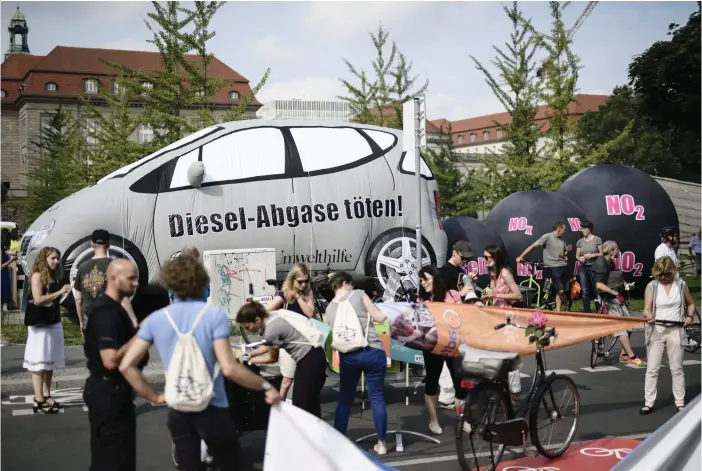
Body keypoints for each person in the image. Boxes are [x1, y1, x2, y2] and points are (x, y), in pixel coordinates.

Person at [120, 256, 280, 470]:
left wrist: (155, 396)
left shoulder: (156, 319)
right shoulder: (213, 316)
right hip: (213, 407)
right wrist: (265, 386)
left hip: (179, 409)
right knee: (230, 463)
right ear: (202, 282)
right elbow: (230, 368)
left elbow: (126, 365)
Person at [82, 260, 146, 471]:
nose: (136, 283)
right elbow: (110, 360)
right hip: (108, 393)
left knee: (120, 458)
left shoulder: (115, 309)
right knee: (112, 461)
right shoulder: (106, 314)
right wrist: (141, 337)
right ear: (113, 278)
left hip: (116, 393)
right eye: (131, 278)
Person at [326, 271, 389, 455]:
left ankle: (339, 442)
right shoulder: (359, 294)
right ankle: (382, 444)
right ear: (346, 283)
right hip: (372, 351)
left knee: (345, 400)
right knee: (377, 398)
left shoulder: (330, 308)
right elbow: (380, 317)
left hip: (349, 356)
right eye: (351, 284)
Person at [237, 300, 327, 418]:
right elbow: (269, 345)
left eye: (248, 326)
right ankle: (316, 434)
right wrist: (251, 354)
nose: (248, 330)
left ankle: (304, 435)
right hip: (316, 354)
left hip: (308, 360)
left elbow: (272, 358)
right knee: (311, 404)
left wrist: (249, 361)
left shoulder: (271, 330)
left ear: (257, 320)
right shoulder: (275, 316)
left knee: (301, 405)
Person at [640, 256, 696, 415]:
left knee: (677, 368)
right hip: (657, 329)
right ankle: (648, 403)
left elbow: (691, 304)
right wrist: (649, 316)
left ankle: (680, 403)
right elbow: (646, 308)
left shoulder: (681, 285)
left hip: (675, 329)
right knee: (652, 368)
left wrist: (690, 316)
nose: (664, 278)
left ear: (673, 272)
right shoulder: (652, 286)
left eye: (667, 275)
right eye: (661, 275)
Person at [416, 265, 464, 435]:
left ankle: (462, 418)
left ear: (435, 278)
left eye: (426, 279)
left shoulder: (453, 295)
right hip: (432, 346)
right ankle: (433, 420)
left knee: (459, 383)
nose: (423, 283)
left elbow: (464, 318)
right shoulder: (421, 300)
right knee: (431, 381)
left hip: (453, 345)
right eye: (421, 280)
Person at [24, 246, 71, 413]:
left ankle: (46, 394)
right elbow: (38, 299)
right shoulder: (37, 275)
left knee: (49, 360)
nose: (56, 261)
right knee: (39, 360)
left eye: (57, 258)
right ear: (44, 259)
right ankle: (38, 398)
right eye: (52, 258)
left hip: (53, 321)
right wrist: (59, 292)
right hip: (40, 325)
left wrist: (63, 293)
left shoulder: (54, 276)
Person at [264, 263, 315, 399]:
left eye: (306, 281)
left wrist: (298, 297)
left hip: (305, 342)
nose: (304, 285)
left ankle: (298, 404)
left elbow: (309, 313)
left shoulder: (307, 293)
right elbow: (267, 310)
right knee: (287, 380)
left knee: (304, 379)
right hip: (290, 343)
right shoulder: (284, 295)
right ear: (293, 280)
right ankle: (280, 405)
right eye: (300, 282)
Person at [591, 240, 645, 367]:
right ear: (611, 251)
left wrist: (625, 285)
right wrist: (613, 292)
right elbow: (598, 284)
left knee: (629, 325)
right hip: (607, 299)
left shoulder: (610, 262)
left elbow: (615, 278)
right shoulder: (600, 264)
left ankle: (624, 354)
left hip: (614, 296)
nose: (619, 251)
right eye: (617, 249)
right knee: (621, 327)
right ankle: (632, 356)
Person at [74, 230, 138, 333]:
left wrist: (81, 322)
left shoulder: (82, 267)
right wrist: (133, 319)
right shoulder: (114, 265)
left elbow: (78, 300)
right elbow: (122, 298)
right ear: (108, 243)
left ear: (92, 244)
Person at [482, 244, 523, 403]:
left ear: (495, 257)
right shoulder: (492, 272)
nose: (485, 260)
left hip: (507, 318)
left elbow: (518, 295)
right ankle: (500, 390)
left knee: (509, 355)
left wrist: (496, 294)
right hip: (496, 316)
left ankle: (514, 393)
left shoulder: (505, 273)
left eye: (487, 257)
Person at [517, 221, 569, 311]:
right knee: (556, 290)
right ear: (559, 229)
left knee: (560, 290)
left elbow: (564, 253)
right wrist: (521, 256)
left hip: (560, 266)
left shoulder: (563, 240)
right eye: (564, 229)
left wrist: (566, 252)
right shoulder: (547, 236)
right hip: (549, 267)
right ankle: (562, 308)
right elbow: (533, 246)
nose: (565, 231)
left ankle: (562, 308)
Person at [575, 221, 602, 313]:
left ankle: (599, 310)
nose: (582, 230)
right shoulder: (580, 241)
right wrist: (580, 258)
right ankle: (587, 312)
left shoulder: (597, 239)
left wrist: (593, 255)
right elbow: (577, 255)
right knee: (585, 290)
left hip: (594, 267)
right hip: (583, 267)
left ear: (589, 229)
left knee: (596, 289)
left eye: (584, 229)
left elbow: (601, 253)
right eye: (581, 229)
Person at [1, 232, 17, 312]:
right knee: (3, 289)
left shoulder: (2, 248)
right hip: (2, 274)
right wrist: (11, 260)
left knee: (6, 289)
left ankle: (5, 306)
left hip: (5, 274)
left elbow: (5, 252)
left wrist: (12, 253)